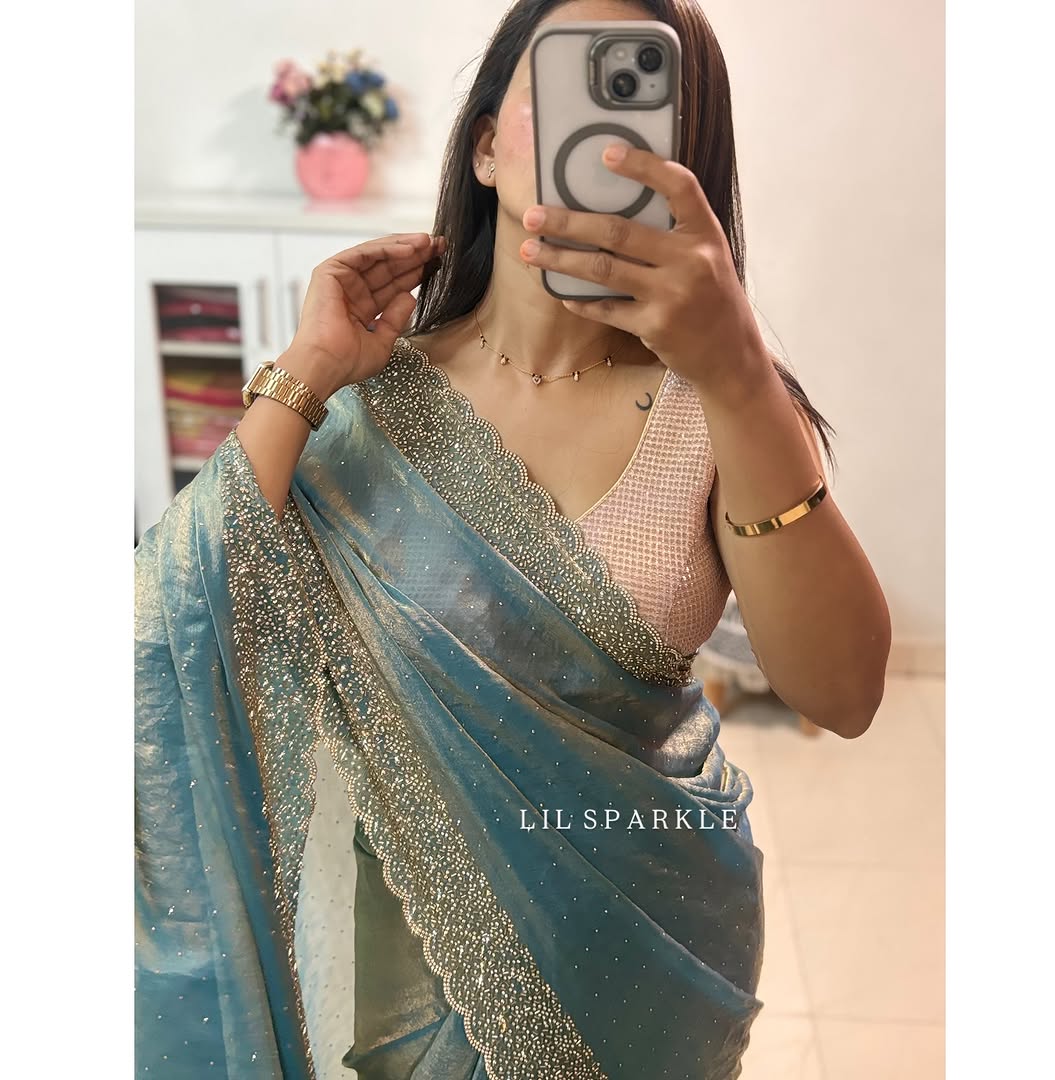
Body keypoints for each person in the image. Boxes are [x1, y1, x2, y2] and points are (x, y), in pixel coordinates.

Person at [134, 0, 892, 1076]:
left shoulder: (722, 408)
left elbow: (844, 694)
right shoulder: (364, 399)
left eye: (644, 106)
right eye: (572, 89)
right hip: (415, 984)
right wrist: (305, 373)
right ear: (487, 146)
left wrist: (736, 371)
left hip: (655, 958)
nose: (608, 141)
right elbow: (174, 630)